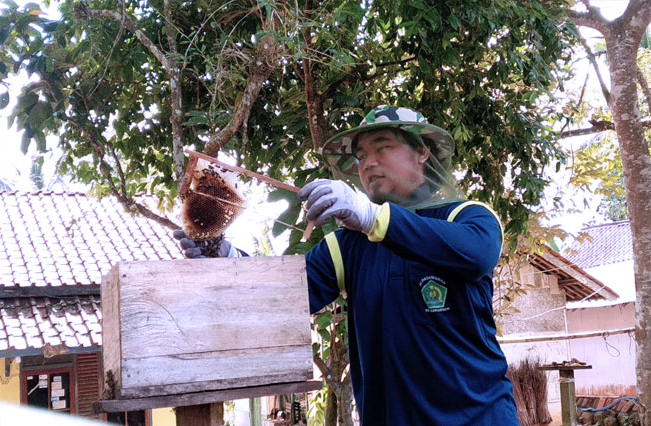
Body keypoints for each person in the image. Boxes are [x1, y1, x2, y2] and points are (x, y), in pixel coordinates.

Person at [175, 106, 519, 426]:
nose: (367, 163)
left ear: (421, 153)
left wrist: (372, 217)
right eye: (360, 156)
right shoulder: (348, 244)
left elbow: (476, 254)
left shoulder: (468, 216)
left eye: (381, 147)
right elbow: (284, 297)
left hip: (480, 417)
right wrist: (226, 259)